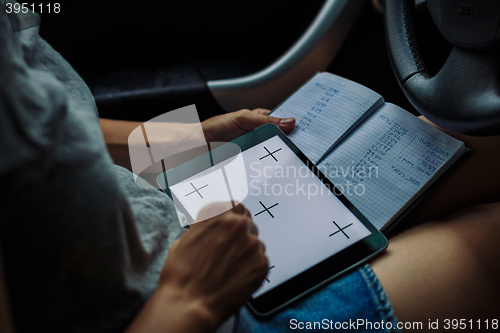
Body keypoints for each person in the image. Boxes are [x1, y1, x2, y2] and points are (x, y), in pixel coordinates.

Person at [1, 6, 499, 333]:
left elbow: (50, 123)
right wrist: (188, 299)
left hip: (185, 212)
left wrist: (187, 140)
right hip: (209, 310)